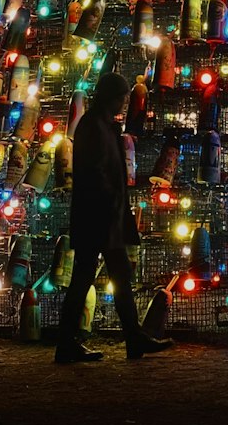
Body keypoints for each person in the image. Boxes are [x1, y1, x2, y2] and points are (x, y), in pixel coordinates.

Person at [54, 71, 174, 363]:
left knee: (108, 277)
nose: (124, 103)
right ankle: (83, 342)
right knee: (91, 278)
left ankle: (130, 339)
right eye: (122, 98)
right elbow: (96, 172)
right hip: (99, 216)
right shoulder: (94, 127)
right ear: (111, 97)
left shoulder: (101, 126)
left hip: (104, 216)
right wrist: (110, 203)